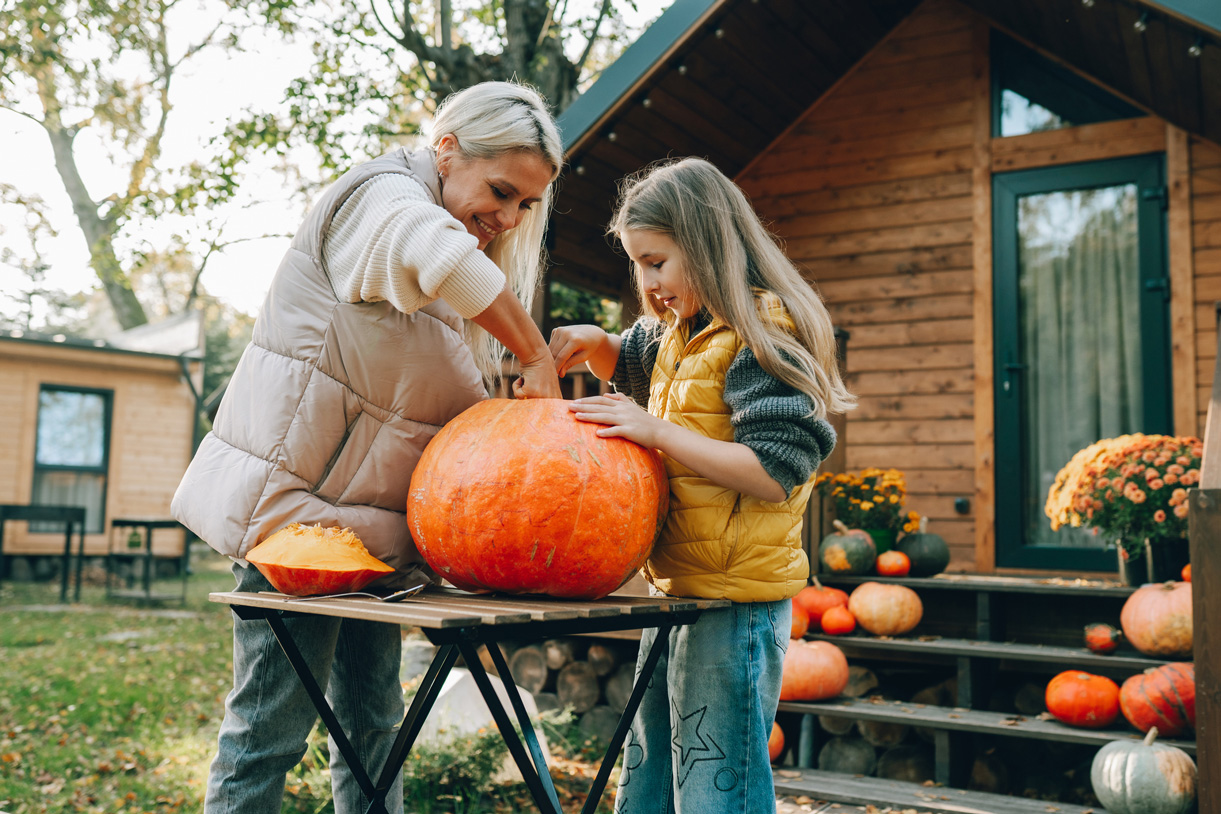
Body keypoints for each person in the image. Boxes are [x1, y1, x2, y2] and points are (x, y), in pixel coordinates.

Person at [171, 81, 564, 813]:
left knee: (374, 735)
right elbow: (437, 253)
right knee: (267, 734)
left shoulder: (448, 261)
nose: (508, 218)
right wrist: (534, 353)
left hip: (374, 541)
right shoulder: (380, 199)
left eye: (525, 205)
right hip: (293, 528)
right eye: (501, 191)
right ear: (446, 151)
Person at [548, 157, 853, 814]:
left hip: (735, 606)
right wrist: (594, 341)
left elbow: (772, 472)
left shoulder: (763, 335)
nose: (647, 283)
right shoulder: (678, 333)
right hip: (678, 593)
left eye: (657, 262)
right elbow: (633, 362)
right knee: (651, 779)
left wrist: (655, 432)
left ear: (708, 244)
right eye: (638, 265)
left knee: (717, 789)